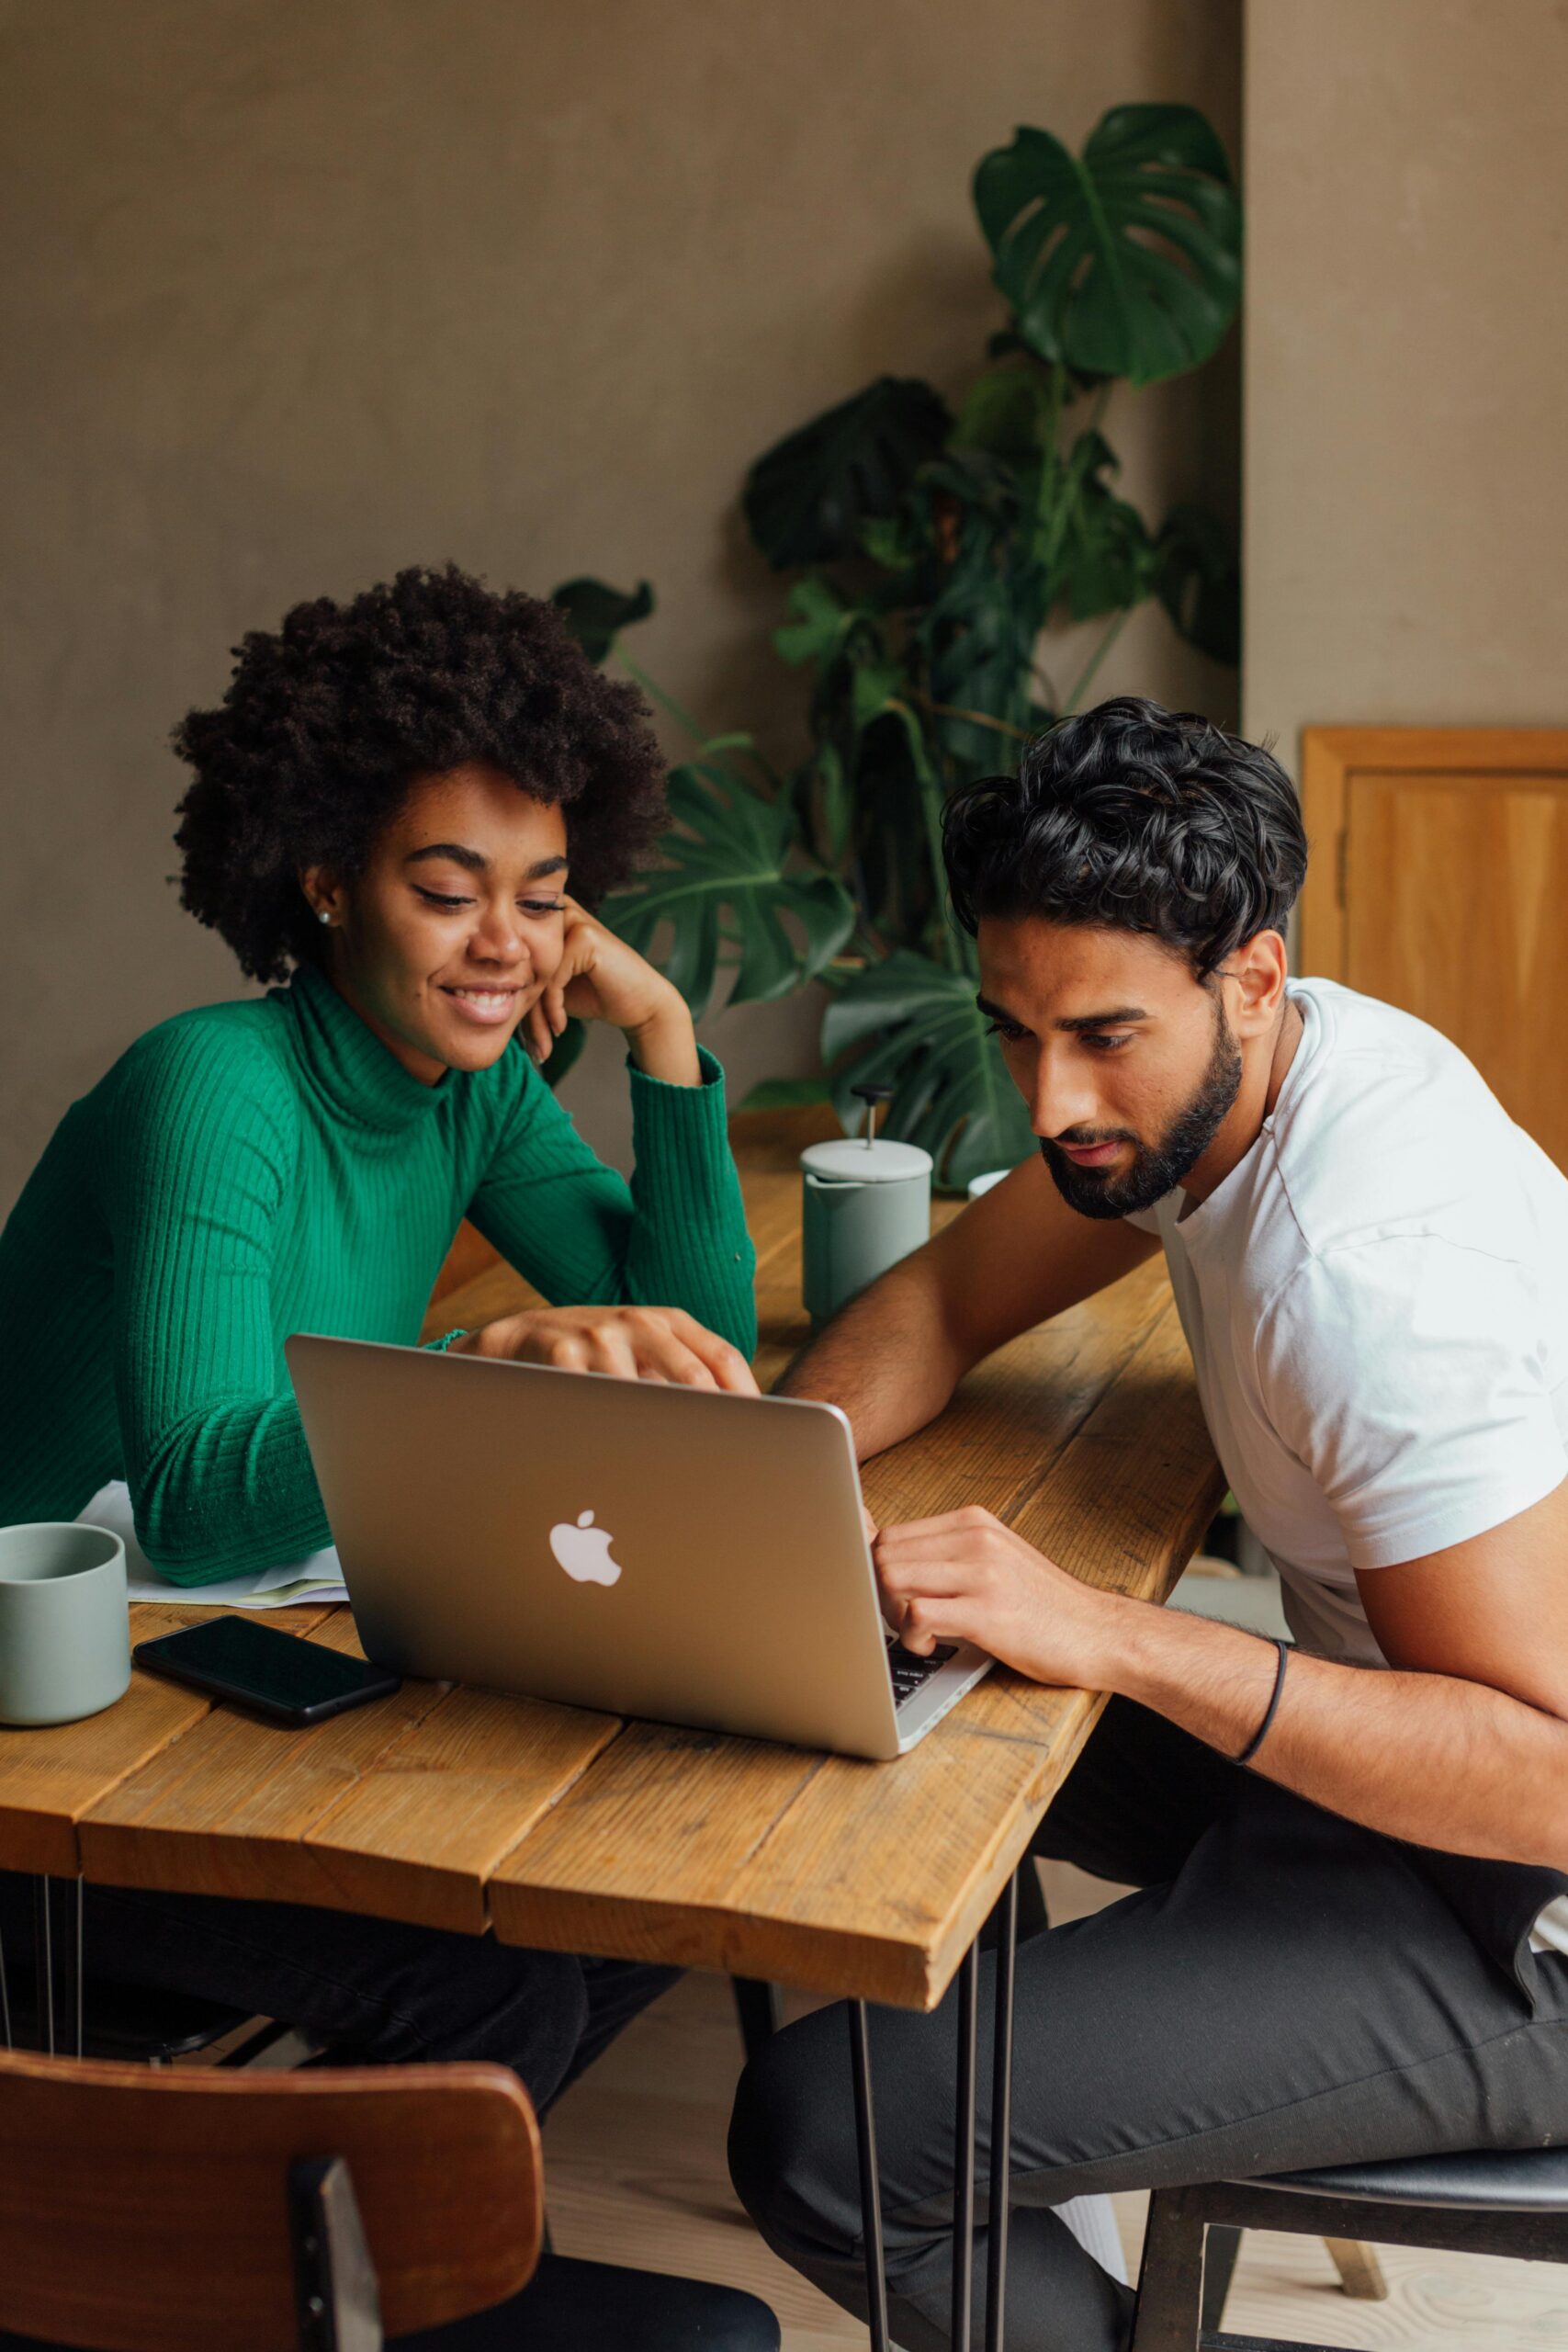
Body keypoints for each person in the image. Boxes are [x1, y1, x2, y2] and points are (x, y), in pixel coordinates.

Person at [728, 695, 1568, 2352]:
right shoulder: (1242, 1072)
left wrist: (1112, 1632)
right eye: (1015, 1032)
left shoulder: (1371, 1274)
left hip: (1525, 1922)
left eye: (1101, 1036)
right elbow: (953, 1291)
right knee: (913, 1665)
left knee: (823, 2139)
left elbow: (1544, 1770)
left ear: (1249, 975)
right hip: (1413, 1802)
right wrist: (772, 1490)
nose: (1048, 1103)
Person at [0, 561, 757, 2113]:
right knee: (496, 1981)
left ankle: (324, 2248)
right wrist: (480, 1376)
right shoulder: (214, 1085)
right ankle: (274, 2269)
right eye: (448, 887)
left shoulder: (463, 1084)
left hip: (195, 1675)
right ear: (330, 879)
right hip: (46, 1746)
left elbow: (703, 1352)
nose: (506, 944)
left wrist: (663, 1033)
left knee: (638, 1896)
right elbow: (203, 1499)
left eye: (541, 896)